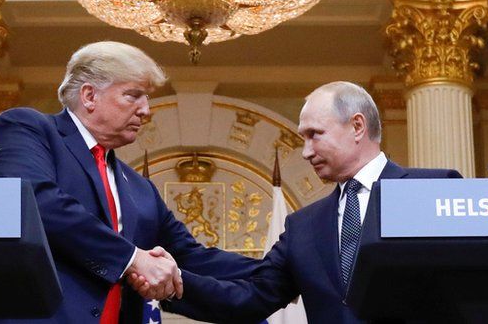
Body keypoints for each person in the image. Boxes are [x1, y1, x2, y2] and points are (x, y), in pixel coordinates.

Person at [0, 41, 258, 323]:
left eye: (146, 98)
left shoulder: (140, 189)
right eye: (133, 96)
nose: (146, 110)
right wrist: (132, 259)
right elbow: (35, 202)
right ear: (89, 95)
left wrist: (281, 269)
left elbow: (190, 255)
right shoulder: (29, 129)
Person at [150, 81, 462, 323]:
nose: (306, 151)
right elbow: (251, 297)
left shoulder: (432, 189)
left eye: (315, 135)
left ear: (357, 127)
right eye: (303, 138)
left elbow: (467, 288)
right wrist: (174, 283)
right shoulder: (303, 227)